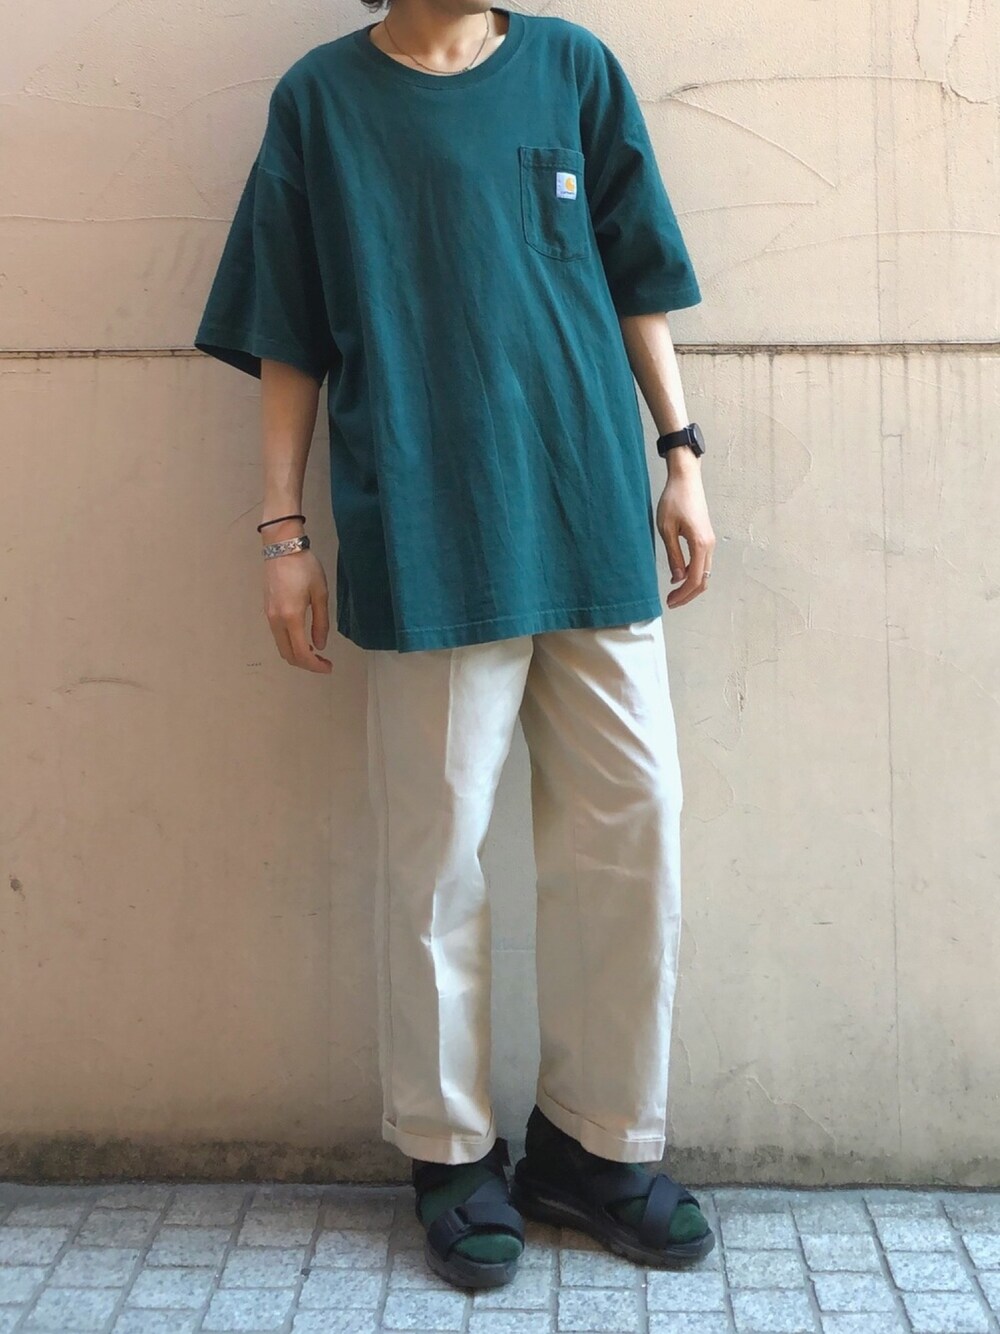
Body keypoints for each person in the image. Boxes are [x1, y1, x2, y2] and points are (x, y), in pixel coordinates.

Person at [194, 0, 717, 1290]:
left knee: (635, 824)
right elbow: (288, 329)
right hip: (427, 523)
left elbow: (635, 272)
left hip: (588, 508)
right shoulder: (322, 101)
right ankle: (449, 1151)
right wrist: (282, 532)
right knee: (437, 858)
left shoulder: (572, 68)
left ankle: (594, 1147)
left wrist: (681, 455)